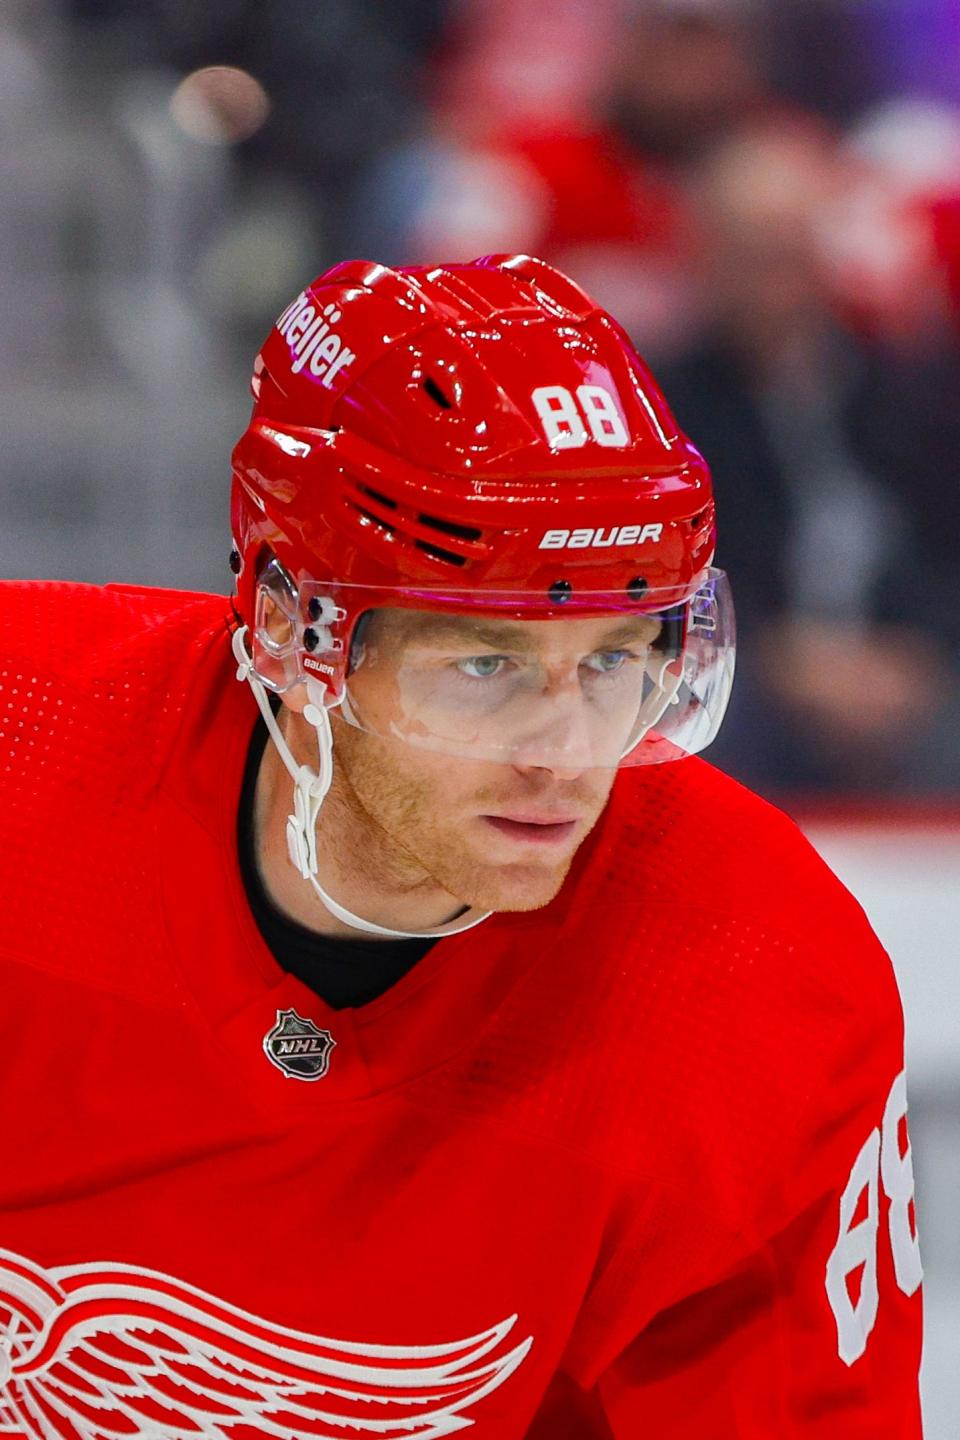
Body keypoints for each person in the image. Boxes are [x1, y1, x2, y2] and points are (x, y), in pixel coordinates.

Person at [0, 255, 922, 1437]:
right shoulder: (27, 754)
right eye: (483, 666)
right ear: (290, 623)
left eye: (615, 660)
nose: (565, 753)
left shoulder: (757, 980)